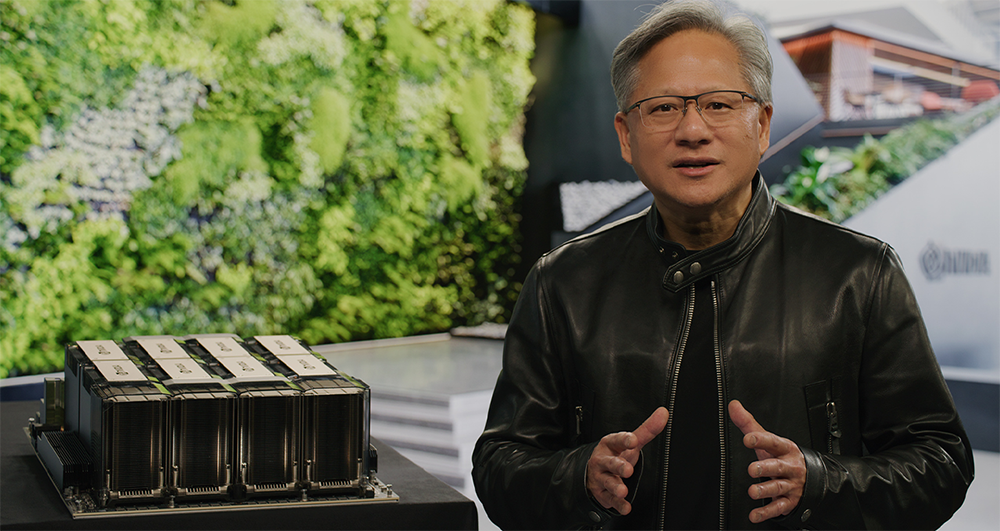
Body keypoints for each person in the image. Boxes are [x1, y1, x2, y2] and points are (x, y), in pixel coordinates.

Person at [471, 1, 975, 530]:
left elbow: (941, 461)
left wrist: (821, 483)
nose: (692, 129)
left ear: (762, 125)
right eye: (663, 108)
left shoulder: (860, 274)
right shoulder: (563, 283)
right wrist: (580, 477)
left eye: (719, 104)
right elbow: (501, 464)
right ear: (625, 135)